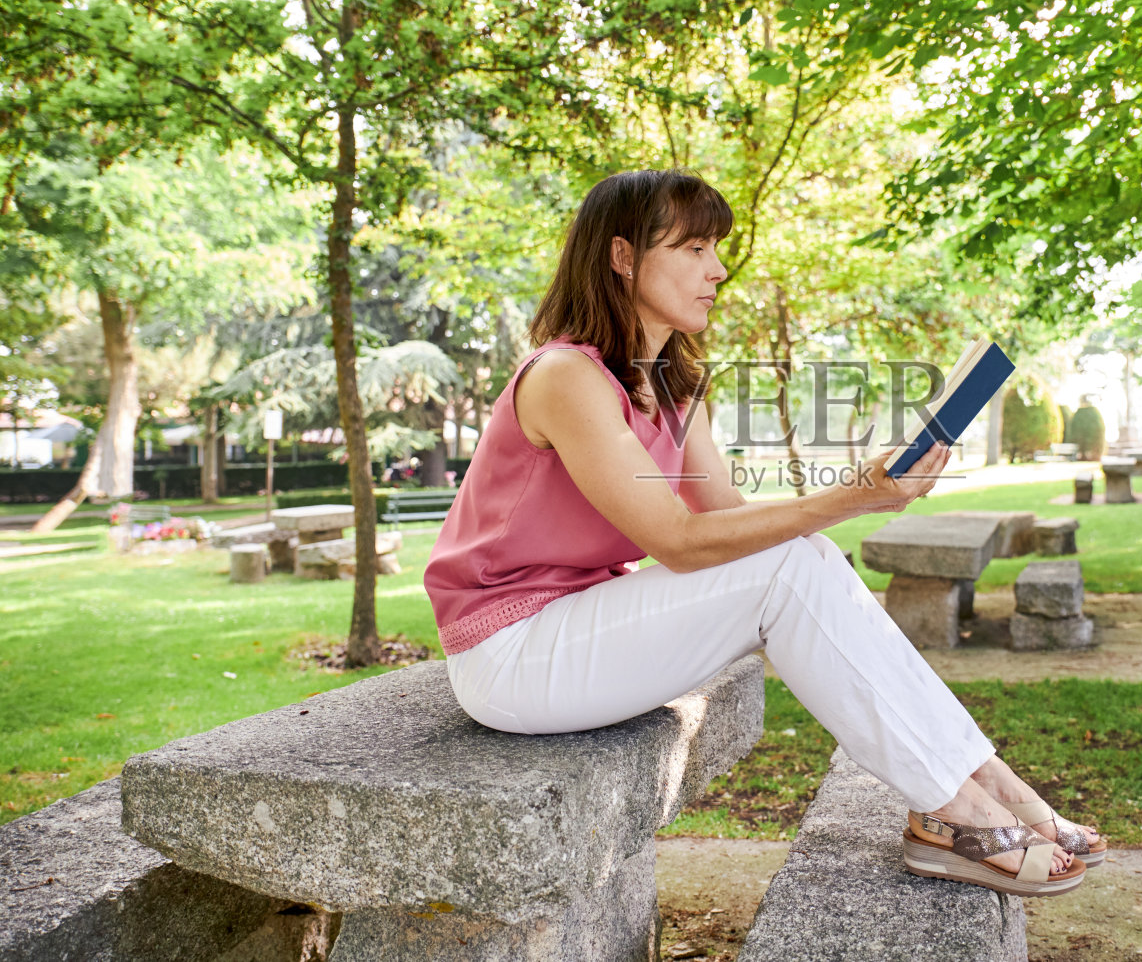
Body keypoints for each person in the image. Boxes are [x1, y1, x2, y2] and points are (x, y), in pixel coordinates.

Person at [424, 169, 1106, 897]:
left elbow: (722, 521)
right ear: (622, 257)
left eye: (715, 248)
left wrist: (859, 491)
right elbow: (681, 541)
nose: (717, 270)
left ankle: (986, 784)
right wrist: (856, 496)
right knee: (792, 564)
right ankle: (955, 813)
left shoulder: (671, 384)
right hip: (509, 654)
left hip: (577, 628)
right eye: (693, 248)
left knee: (799, 557)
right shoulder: (565, 376)